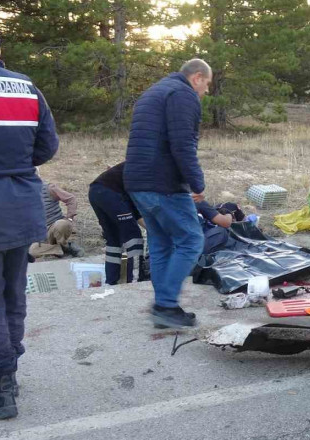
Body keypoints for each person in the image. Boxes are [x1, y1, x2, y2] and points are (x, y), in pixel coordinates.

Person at [0, 16, 59, 419]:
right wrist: (14, 166)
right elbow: (47, 147)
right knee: (11, 296)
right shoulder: (28, 88)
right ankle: (7, 369)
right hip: (22, 208)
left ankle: (0, 386)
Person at [124, 59, 211, 328]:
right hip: (162, 182)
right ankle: (165, 305)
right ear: (197, 77)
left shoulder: (155, 91)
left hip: (137, 181)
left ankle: (164, 307)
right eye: (207, 84)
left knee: (162, 243)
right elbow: (183, 144)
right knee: (191, 240)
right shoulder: (183, 94)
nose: (206, 91)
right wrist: (197, 183)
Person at [89, 162, 145, 285]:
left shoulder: (137, 162)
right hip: (110, 193)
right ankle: (136, 279)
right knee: (134, 237)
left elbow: (134, 211)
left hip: (95, 191)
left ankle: (111, 281)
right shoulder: (149, 168)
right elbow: (136, 208)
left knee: (113, 238)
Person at [28, 178, 82, 258]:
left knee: (61, 224)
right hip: (41, 236)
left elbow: (71, 199)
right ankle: (62, 249)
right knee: (32, 251)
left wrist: (69, 218)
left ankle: (64, 245)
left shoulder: (49, 188)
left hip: (54, 227)